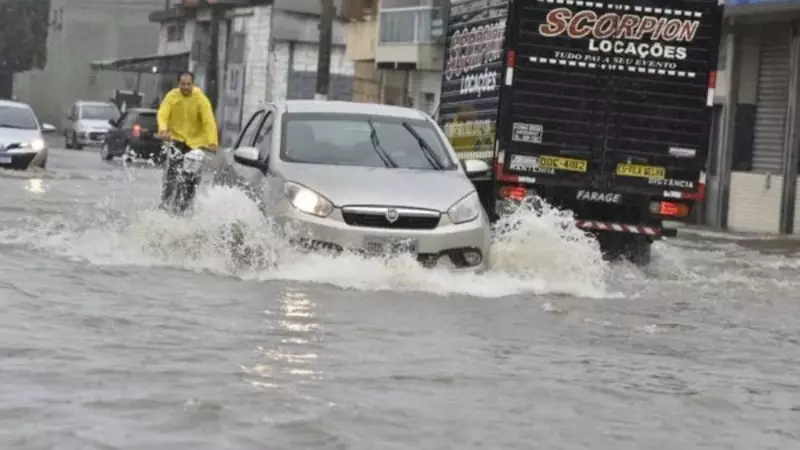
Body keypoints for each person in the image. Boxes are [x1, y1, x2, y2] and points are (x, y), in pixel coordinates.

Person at [156, 71, 219, 207]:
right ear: (178, 84)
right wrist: (163, 130)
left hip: (195, 143)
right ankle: (166, 202)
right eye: (183, 84)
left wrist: (212, 142)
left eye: (188, 84)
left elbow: (209, 120)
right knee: (172, 172)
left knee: (192, 176)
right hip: (176, 139)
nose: (185, 87)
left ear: (193, 84)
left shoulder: (200, 98)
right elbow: (163, 114)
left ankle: (184, 205)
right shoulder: (172, 96)